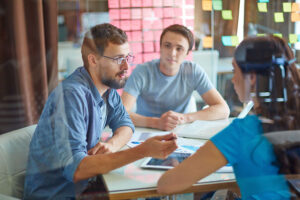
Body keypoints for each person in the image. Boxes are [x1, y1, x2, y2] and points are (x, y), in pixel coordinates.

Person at [23, 23, 178, 199]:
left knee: (155, 192)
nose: (127, 67)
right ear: (93, 60)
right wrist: (143, 150)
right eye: (119, 59)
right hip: (57, 195)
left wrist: (111, 145)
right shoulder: (71, 95)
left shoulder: (107, 88)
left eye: (128, 57)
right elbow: (77, 169)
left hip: (85, 187)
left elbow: (125, 124)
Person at [157, 35, 300, 199]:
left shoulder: (242, 131)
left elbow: (166, 186)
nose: (232, 79)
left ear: (251, 77)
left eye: (234, 71)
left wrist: (177, 166)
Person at [121, 24, 230, 131]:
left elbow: (223, 109)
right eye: (167, 46)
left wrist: (184, 118)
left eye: (179, 48)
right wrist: (157, 123)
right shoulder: (142, 72)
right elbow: (121, 113)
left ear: (187, 53)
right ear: (160, 47)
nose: (172, 53)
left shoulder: (193, 71)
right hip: (146, 130)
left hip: (181, 130)